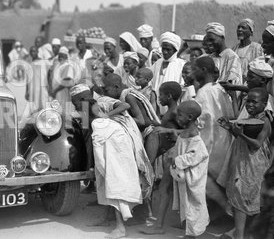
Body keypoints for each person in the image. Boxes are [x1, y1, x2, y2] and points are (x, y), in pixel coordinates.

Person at [70, 84, 153, 239]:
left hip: (118, 145)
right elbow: (88, 134)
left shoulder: (102, 101)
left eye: (75, 103)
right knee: (104, 182)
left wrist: (107, 117)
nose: (75, 107)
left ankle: (120, 228)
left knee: (116, 182)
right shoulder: (86, 111)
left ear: (82, 98)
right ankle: (106, 218)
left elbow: (124, 105)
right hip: (105, 146)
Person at [217, 87, 272, 239]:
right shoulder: (249, 118)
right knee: (241, 195)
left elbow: (256, 144)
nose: (250, 105)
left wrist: (240, 134)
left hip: (253, 163)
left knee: (242, 195)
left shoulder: (265, 120)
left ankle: (239, 235)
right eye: (248, 101)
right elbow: (239, 136)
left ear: (264, 104)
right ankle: (238, 233)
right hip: (242, 161)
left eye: (254, 102)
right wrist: (229, 128)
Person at [191, 56, 235, 214]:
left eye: (195, 68)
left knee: (203, 180)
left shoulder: (203, 93)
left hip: (211, 144)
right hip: (224, 142)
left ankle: (226, 209)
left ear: (203, 70)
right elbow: (230, 114)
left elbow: (199, 123)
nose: (193, 72)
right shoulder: (220, 89)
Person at [140, 81, 183, 236]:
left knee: (165, 189)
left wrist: (165, 129)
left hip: (172, 154)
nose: (159, 98)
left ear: (169, 96)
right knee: (164, 188)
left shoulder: (175, 111)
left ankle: (158, 226)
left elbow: (188, 130)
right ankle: (154, 217)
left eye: (161, 94)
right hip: (166, 153)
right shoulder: (170, 110)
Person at [170, 100, 210, 238]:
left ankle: (193, 233)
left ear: (190, 117)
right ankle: (189, 229)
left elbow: (198, 154)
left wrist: (177, 160)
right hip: (185, 174)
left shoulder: (194, 135)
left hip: (193, 175)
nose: (177, 118)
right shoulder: (187, 131)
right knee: (186, 203)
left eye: (180, 115)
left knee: (194, 203)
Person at [150, 31, 186, 115]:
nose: (165, 52)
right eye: (163, 49)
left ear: (175, 49)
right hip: (156, 108)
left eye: (168, 49)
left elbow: (183, 88)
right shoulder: (157, 63)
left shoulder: (181, 64)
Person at [50, 46, 78, 115]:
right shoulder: (59, 65)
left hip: (64, 95)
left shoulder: (68, 66)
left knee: (65, 114)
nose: (60, 57)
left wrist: (55, 90)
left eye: (62, 56)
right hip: (57, 95)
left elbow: (67, 80)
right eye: (59, 56)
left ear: (66, 57)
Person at [24, 46, 51, 114]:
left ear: (37, 52)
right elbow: (28, 79)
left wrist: (50, 86)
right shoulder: (29, 65)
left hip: (42, 89)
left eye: (34, 51)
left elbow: (50, 73)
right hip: (33, 91)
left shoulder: (44, 62)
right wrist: (26, 91)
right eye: (31, 51)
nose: (33, 53)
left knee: (44, 108)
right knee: (34, 110)